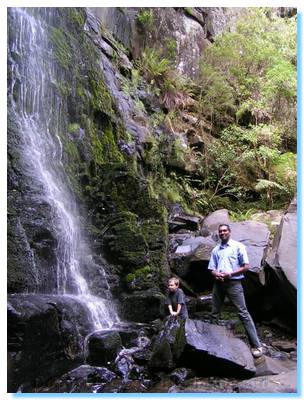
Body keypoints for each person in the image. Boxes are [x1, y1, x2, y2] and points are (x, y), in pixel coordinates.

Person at [208, 224, 263, 358]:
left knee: (243, 313)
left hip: (234, 283)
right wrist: (216, 274)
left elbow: (246, 266)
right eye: (220, 231)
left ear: (229, 232)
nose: (222, 233)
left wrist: (230, 274)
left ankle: (256, 345)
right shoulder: (216, 250)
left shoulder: (238, 246)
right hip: (218, 284)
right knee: (214, 313)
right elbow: (211, 268)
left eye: (225, 230)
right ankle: (211, 343)